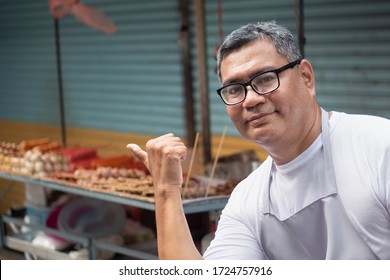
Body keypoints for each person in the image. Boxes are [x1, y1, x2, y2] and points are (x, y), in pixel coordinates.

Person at [127, 21, 390, 259]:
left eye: (265, 79)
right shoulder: (248, 199)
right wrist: (167, 190)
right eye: (234, 89)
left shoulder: (378, 148)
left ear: (306, 78)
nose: (250, 99)